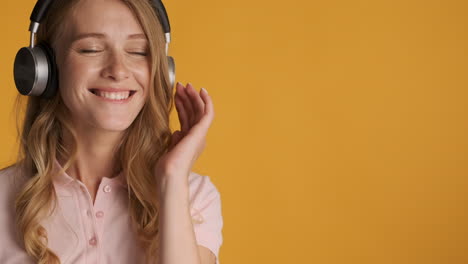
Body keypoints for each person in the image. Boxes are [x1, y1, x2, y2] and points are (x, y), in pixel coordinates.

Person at [0, 0, 223, 263]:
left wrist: (172, 179)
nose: (118, 70)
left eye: (139, 51)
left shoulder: (192, 195)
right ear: (45, 67)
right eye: (91, 49)